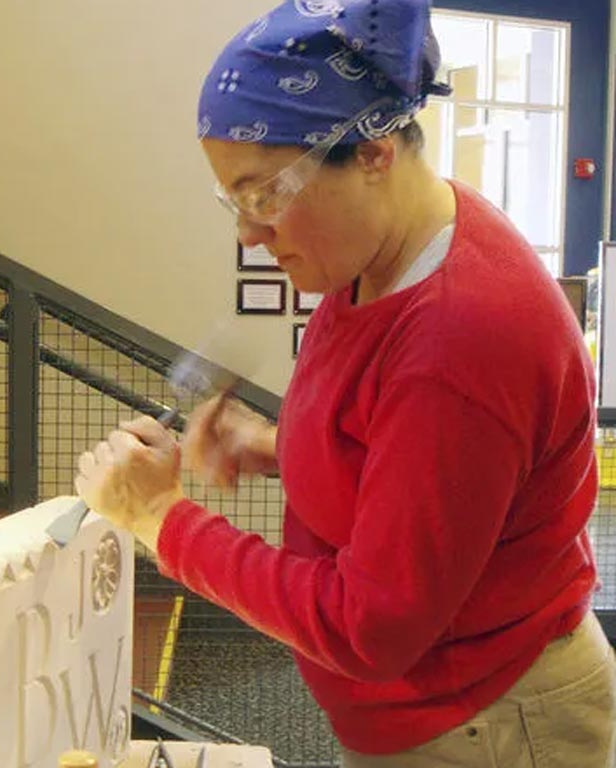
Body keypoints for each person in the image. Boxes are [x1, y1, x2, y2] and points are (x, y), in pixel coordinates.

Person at [75, 1, 616, 765]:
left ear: (371, 152)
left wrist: (161, 518)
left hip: (486, 722)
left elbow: (371, 627)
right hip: (433, 708)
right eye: (234, 200)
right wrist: (275, 443)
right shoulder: (381, 253)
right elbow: (395, 447)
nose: (248, 233)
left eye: (265, 194)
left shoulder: (458, 340)